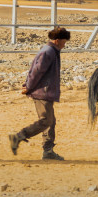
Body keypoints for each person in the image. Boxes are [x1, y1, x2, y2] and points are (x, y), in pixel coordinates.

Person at [9, 26, 71, 160]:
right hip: (42, 92)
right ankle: (19, 136)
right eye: (64, 42)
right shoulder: (48, 52)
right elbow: (37, 71)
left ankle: (48, 151)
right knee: (46, 121)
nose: (64, 45)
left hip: (45, 91)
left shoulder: (51, 51)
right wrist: (29, 87)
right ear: (57, 40)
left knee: (51, 121)